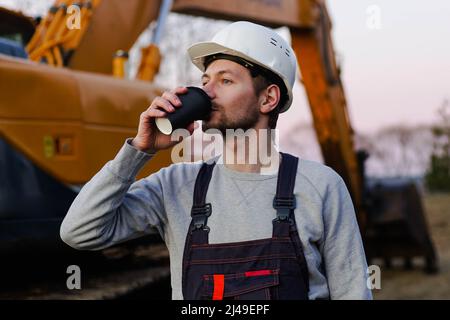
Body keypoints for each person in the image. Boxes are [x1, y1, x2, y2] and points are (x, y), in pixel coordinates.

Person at [60, 21, 372, 300]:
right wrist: (139, 150)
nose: (206, 92)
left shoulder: (321, 186)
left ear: (268, 98)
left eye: (225, 81)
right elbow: (79, 231)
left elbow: (352, 292)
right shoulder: (175, 185)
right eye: (205, 80)